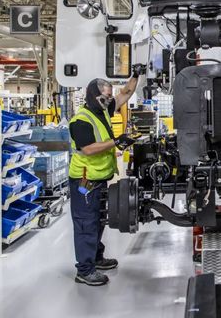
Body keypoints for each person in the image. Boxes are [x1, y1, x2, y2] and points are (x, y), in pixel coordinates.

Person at [68, 66, 144, 286]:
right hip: (85, 180)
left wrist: (136, 74)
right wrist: (117, 141)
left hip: (99, 177)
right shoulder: (80, 120)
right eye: (105, 97)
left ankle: (96, 258)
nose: (109, 101)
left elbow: (126, 93)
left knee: (98, 219)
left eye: (109, 97)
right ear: (94, 96)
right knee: (86, 223)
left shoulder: (102, 110)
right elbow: (89, 149)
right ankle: (84, 270)